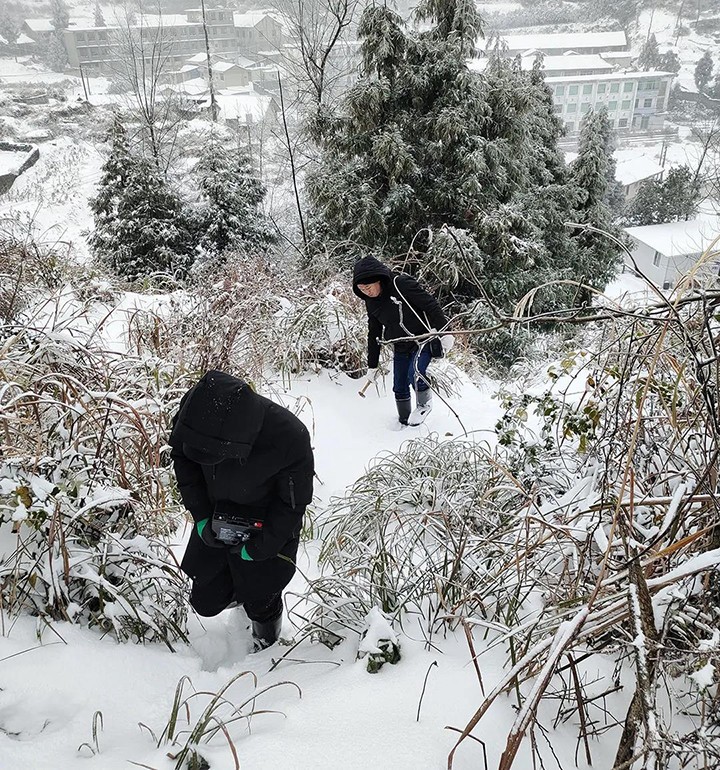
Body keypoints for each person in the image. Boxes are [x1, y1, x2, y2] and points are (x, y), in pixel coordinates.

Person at [169, 370, 314, 651]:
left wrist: (262, 547)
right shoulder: (194, 410)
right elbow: (182, 458)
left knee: (262, 598)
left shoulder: (287, 435)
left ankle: (265, 639)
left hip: (265, 526)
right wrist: (200, 517)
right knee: (205, 601)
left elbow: (293, 504)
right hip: (215, 518)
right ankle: (240, 595)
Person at [352, 256, 454, 426]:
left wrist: (445, 333)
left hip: (423, 339)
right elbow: (374, 333)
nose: (366, 292)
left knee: (415, 373)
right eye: (362, 289)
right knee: (399, 385)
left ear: (379, 280)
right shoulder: (370, 302)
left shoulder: (401, 285)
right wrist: (372, 366)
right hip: (400, 344)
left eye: (368, 287)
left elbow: (431, 305)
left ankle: (424, 405)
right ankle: (404, 420)